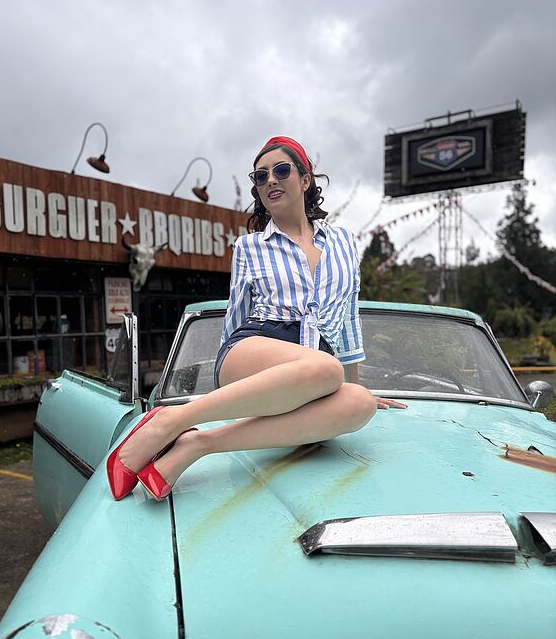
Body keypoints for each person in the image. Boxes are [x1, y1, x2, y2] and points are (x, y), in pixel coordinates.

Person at [109, 135, 406, 501]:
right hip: (255, 345)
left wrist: (355, 386)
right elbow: (236, 315)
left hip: (312, 367)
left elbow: (347, 320)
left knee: (360, 404)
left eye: (281, 170)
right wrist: (228, 381)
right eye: (260, 176)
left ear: (305, 179)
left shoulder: (343, 242)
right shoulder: (249, 246)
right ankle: (172, 419)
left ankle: (197, 445)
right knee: (327, 369)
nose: (270, 181)